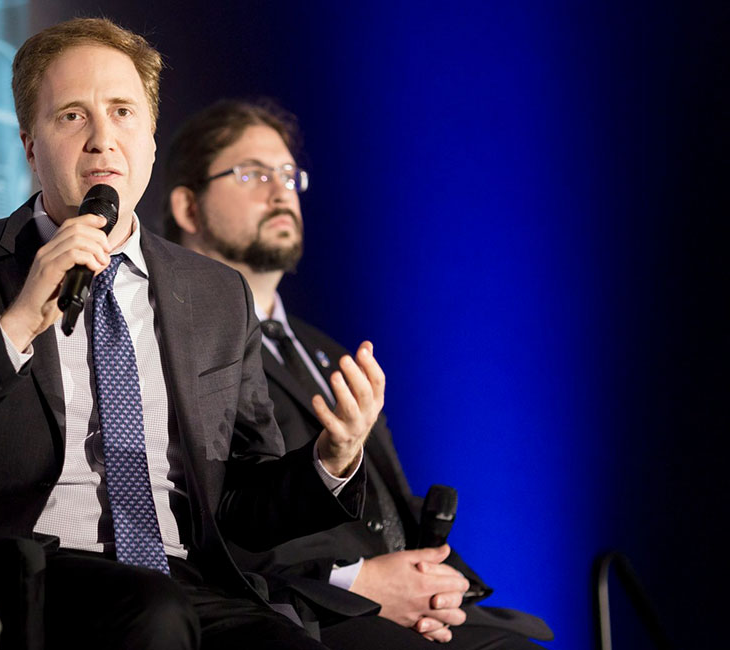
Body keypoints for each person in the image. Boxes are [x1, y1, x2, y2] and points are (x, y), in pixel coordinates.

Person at [0, 18, 385, 650]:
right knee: (150, 615)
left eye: (124, 113)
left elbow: (241, 502)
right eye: (72, 116)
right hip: (28, 573)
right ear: (29, 144)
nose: (103, 140)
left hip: (190, 579)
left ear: (151, 141)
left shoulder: (215, 294)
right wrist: (16, 325)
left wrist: (331, 461)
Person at [162, 99, 553, 649]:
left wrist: (435, 582)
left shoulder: (326, 350)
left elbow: (391, 504)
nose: (281, 193)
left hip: (413, 614)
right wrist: (355, 582)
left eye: (289, 175)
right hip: (300, 615)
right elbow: (204, 521)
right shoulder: (172, 340)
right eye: (252, 173)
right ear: (188, 207)